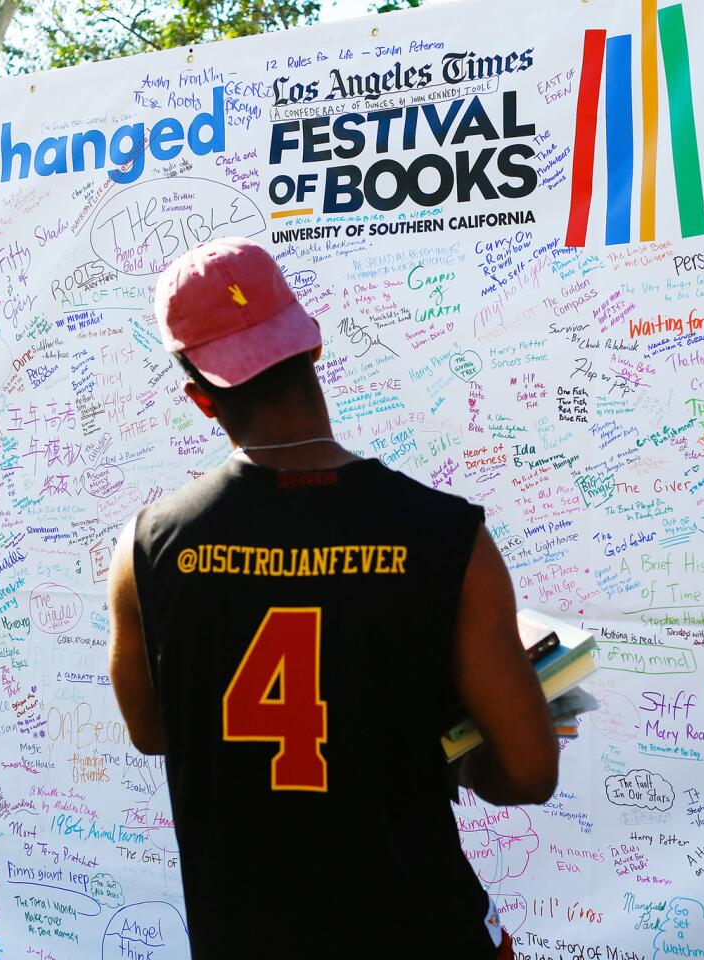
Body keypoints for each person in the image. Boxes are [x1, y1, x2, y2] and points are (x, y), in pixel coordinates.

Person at [106, 236, 559, 959]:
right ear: (312, 349)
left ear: (198, 397)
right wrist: (462, 760)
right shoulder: (447, 538)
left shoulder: (143, 551)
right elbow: (530, 773)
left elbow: (154, 732)